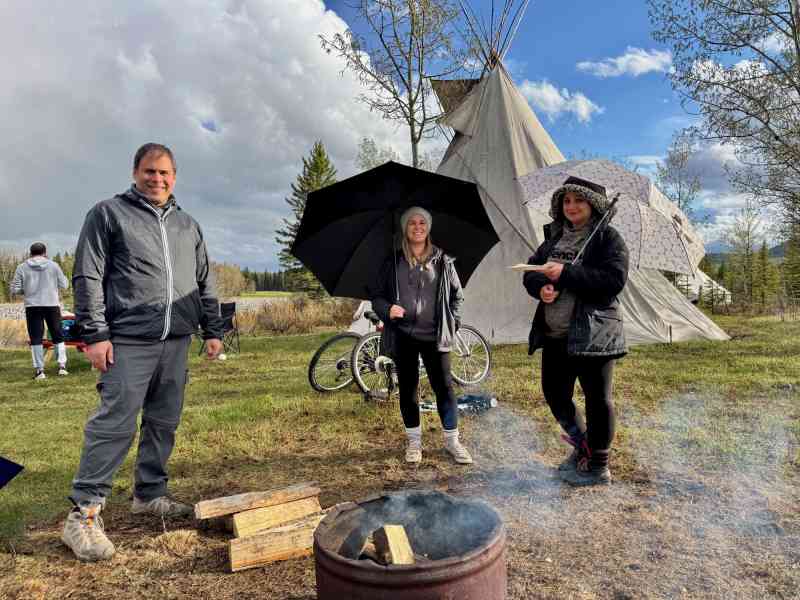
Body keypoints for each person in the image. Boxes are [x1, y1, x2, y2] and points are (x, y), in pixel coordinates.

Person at [61, 143, 223, 562]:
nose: (158, 179)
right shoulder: (108, 215)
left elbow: (204, 280)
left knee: (163, 422)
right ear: (135, 172)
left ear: (175, 176)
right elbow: (88, 274)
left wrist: (213, 328)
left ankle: (149, 494)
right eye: (150, 171)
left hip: (176, 343)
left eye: (165, 172)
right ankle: (84, 513)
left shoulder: (188, 225)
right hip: (127, 340)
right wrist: (95, 334)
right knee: (114, 424)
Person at [523, 176, 629, 486]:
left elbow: (614, 280)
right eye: (566, 201)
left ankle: (598, 465)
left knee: (598, 400)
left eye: (578, 201)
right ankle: (583, 445)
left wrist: (567, 273)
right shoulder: (553, 239)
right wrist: (542, 287)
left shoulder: (608, 238)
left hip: (595, 335)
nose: (571, 206)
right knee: (555, 395)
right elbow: (531, 271)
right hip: (555, 334)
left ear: (593, 205)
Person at [371, 206, 473, 465]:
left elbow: (457, 296)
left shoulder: (443, 260)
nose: (417, 227)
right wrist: (387, 309)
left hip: (435, 336)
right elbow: (377, 298)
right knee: (408, 389)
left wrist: (453, 322)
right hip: (403, 334)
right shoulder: (392, 261)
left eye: (422, 223)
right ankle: (414, 443)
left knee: (445, 388)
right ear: (405, 229)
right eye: (412, 223)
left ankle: (452, 441)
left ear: (428, 228)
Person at [10, 242, 69, 379]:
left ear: (31, 253)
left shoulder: (21, 267)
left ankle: (40, 371)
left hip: (32, 306)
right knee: (57, 335)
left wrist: (28, 290)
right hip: (52, 304)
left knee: (36, 338)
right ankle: (62, 367)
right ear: (45, 252)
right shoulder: (54, 265)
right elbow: (64, 285)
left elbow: (15, 289)